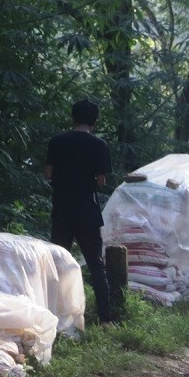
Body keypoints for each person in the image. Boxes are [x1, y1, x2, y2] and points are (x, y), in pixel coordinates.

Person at [44, 99, 117, 322]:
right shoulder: (99, 145)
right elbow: (101, 180)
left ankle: (51, 314)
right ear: (94, 121)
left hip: (62, 211)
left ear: (73, 118)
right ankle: (105, 318)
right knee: (96, 265)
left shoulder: (57, 141)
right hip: (88, 211)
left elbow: (48, 174)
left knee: (57, 264)